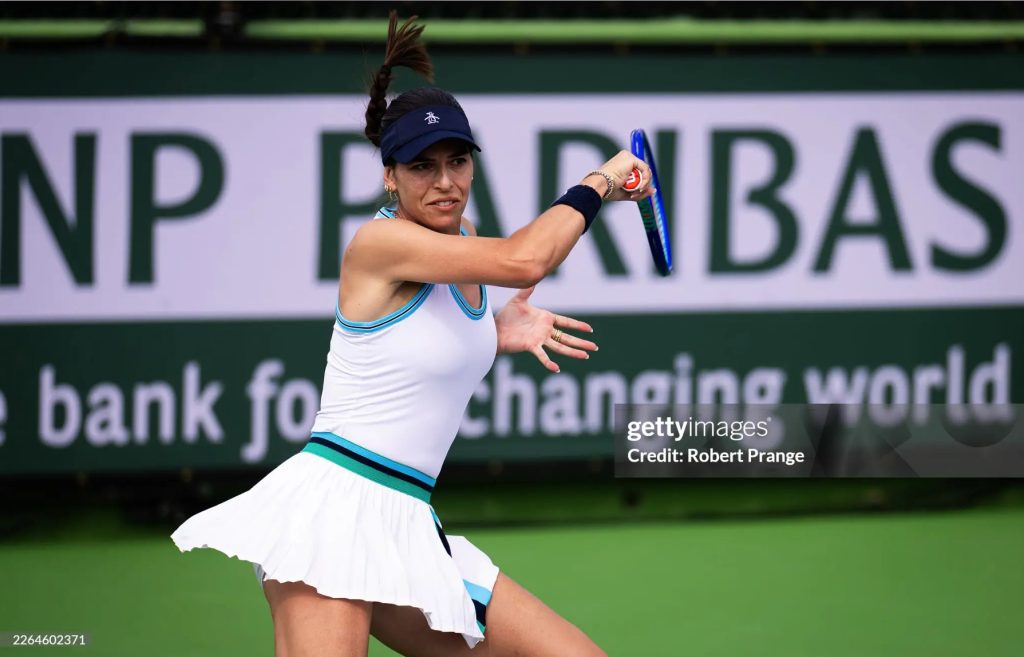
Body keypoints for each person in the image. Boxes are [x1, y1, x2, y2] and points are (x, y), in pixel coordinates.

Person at [171, 12, 652, 657]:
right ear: (390, 176)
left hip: (408, 524)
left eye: (457, 161)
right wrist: (601, 181)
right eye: (422, 167)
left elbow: (451, 322)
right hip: (333, 512)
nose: (445, 181)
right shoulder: (380, 243)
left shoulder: (466, 243)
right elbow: (527, 261)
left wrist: (489, 332)